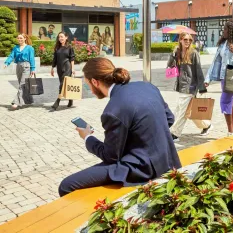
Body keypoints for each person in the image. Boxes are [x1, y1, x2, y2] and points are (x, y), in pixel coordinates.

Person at [58, 58, 181, 196]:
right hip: (167, 159)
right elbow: (169, 119)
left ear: (95, 82)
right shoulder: (147, 86)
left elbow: (110, 156)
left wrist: (87, 137)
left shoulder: (112, 111)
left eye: (87, 86)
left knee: (66, 186)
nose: (91, 91)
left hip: (142, 168)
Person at [168, 32, 211, 142]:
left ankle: (175, 133)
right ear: (180, 40)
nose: (187, 42)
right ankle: (207, 125)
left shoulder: (194, 53)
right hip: (181, 85)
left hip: (190, 86)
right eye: (185, 39)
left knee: (181, 110)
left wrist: (201, 87)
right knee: (191, 112)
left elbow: (198, 70)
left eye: (189, 40)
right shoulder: (177, 52)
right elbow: (170, 66)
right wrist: (172, 55)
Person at [204, 21, 233, 136]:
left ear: (231, 31)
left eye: (226, 29)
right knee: (231, 104)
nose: (223, 31)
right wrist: (208, 79)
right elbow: (215, 62)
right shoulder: (223, 44)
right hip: (223, 77)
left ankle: (230, 131)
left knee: (225, 101)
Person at [3, 34, 35, 110]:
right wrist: (7, 63)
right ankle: (29, 100)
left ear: (25, 38)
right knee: (23, 84)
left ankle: (16, 102)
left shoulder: (30, 48)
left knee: (22, 85)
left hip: (26, 66)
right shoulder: (16, 47)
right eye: (18, 38)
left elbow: (32, 59)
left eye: (21, 38)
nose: (19, 39)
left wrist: (33, 69)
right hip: (18, 66)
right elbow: (11, 56)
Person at [51, 32, 75, 110]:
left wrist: (73, 69)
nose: (60, 38)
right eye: (59, 37)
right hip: (59, 68)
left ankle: (57, 101)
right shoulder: (57, 47)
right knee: (65, 85)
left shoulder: (69, 47)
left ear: (66, 37)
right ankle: (71, 100)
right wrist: (52, 68)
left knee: (62, 84)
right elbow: (55, 59)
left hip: (67, 67)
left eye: (62, 37)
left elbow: (72, 58)